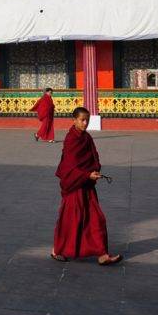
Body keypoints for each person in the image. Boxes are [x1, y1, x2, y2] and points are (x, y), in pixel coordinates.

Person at [51, 107, 122, 266]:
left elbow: (94, 156)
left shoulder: (86, 137)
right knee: (70, 220)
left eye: (87, 120)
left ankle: (102, 254)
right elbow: (69, 166)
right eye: (82, 120)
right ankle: (57, 250)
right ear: (74, 120)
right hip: (74, 186)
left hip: (87, 186)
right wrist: (85, 175)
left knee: (96, 218)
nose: (85, 123)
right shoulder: (71, 139)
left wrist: (94, 170)